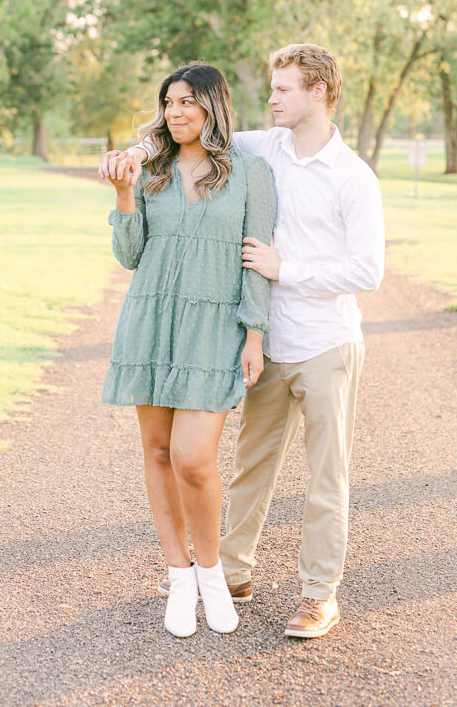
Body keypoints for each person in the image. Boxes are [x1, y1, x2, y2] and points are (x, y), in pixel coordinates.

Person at [102, 43, 384, 639]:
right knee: (250, 469)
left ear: (320, 93)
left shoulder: (352, 177)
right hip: (255, 338)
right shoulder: (264, 146)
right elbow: (185, 134)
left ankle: (317, 595)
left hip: (325, 340)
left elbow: (368, 271)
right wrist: (134, 155)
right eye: (273, 89)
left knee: (322, 476)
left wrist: (286, 271)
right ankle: (225, 573)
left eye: (284, 90)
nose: (273, 98)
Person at [99, 62, 277, 639]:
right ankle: (178, 577)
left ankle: (212, 574)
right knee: (156, 453)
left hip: (213, 329)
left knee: (194, 460)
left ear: (213, 107)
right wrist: (124, 192)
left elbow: (257, 256)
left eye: (187, 102)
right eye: (168, 102)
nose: (175, 112)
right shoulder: (149, 168)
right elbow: (129, 255)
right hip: (151, 321)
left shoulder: (250, 172)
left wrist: (254, 334)